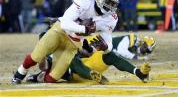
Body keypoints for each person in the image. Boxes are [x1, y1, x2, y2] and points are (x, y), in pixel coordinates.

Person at [11, 0, 119, 84]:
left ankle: (39, 75)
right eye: (108, 2)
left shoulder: (110, 18)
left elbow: (108, 43)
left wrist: (106, 48)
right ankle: (21, 71)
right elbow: (65, 23)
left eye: (112, 4)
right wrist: (84, 29)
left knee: (51, 79)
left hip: (74, 44)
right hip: (60, 32)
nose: (110, 6)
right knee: (36, 57)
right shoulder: (85, 0)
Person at [26, 33, 154, 83]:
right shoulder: (49, 53)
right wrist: (42, 52)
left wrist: (90, 48)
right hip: (77, 72)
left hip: (88, 63)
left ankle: (139, 73)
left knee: (110, 54)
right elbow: (43, 68)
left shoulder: (66, 39)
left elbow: (85, 52)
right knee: (70, 58)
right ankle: (92, 75)